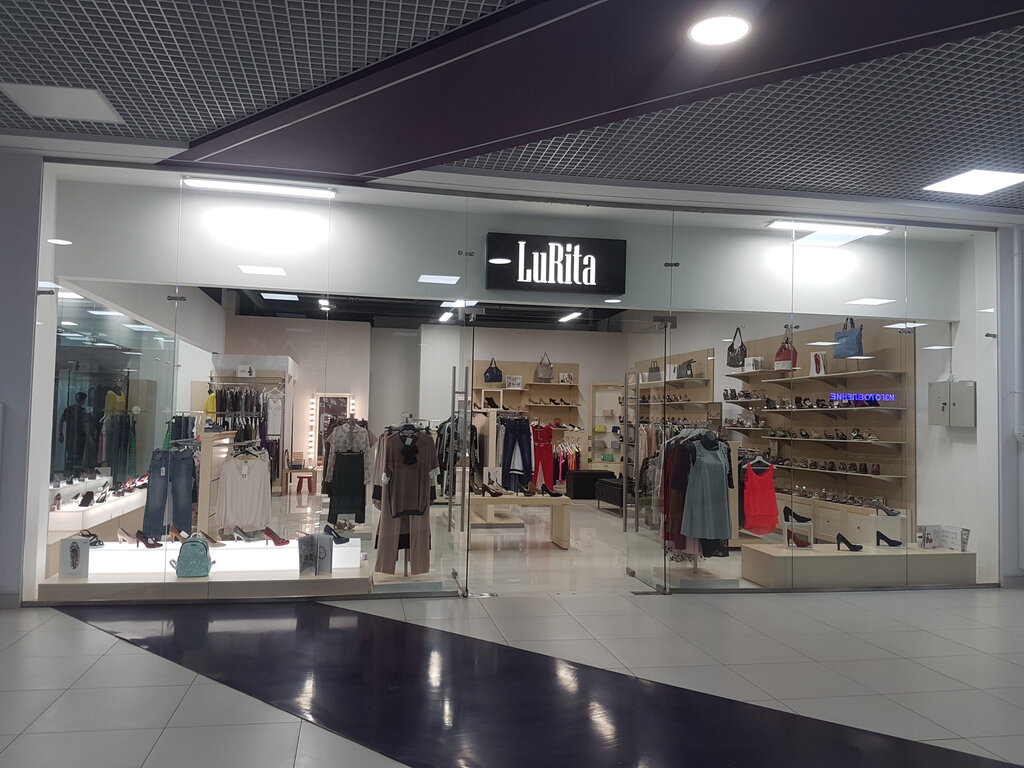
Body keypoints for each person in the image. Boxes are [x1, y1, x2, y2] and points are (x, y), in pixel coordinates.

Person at [57, 392, 93, 477]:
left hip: (69, 437)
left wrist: (60, 434)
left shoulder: (68, 409)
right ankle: (76, 475)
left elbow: (61, 421)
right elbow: (85, 425)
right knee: (78, 457)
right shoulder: (83, 411)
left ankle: (68, 473)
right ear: (83, 400)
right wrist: (89, 438)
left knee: (70, 456)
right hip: (80, 438)